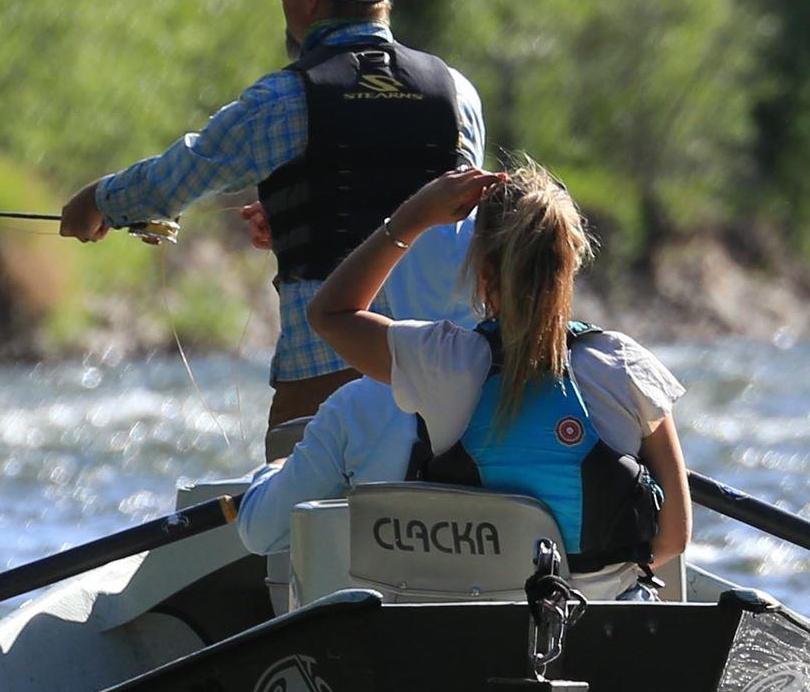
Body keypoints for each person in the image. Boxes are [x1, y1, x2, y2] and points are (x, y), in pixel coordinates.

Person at [58, 0, 484, 449]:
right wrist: (291, 211)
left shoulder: (287, 99)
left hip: (326, 362)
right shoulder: (458, 92)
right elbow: (443, 207)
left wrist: (97, 201)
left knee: (295, 518)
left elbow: (176, 180)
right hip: (449, 371)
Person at [294, 159, 693, 590]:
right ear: (570, 265)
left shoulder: (443, 361)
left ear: (484, 274)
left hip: (476, 629)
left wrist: (412, 219)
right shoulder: (624, 365)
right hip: (600, 628)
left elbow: (329, 313)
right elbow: (674, 536)